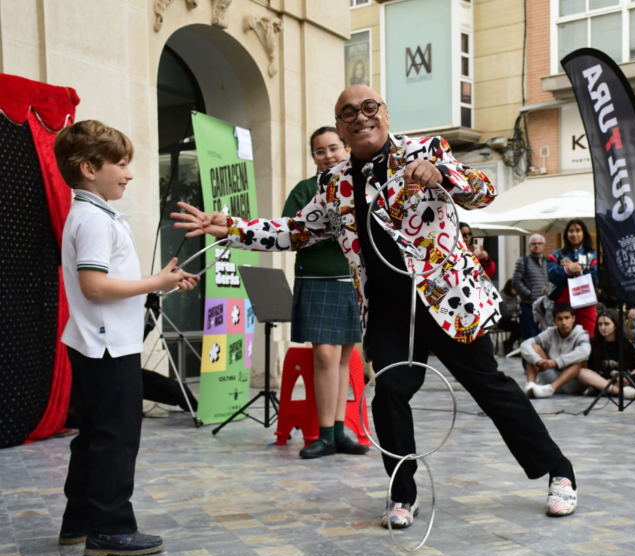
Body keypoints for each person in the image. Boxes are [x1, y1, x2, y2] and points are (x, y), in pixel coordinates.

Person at [173, 85, 579, 523]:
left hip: (445, 300)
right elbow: (296, 230)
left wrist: (443, 174)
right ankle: (402, 495)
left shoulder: (425, 150)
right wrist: (231, 228)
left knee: (491, 389)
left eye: (369, 107)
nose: (360, 116)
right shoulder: (334, 182)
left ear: (385, 115)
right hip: (387, 310)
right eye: (348, 112)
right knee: (389, 393)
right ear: (341, 127)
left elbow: (483, 191)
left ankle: (559, 470)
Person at [55, 120, 197, 556]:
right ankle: (111, 529)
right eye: (120, 164)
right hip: (107, 347)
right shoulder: (94, 220)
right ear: (88, 168)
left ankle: (79, 522)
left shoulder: (90, 214)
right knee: (116, 438)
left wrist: (159, 281)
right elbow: (95, 287)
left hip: (95, 343)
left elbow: (103, 282)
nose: (129, 173)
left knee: (93, 435)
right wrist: (156, 282)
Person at [282, 126, 367, 459]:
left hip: (353, 279)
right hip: (316, 277)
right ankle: (325, 434)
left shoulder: (361, 185)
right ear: (313, 156)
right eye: (320, 151)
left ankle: (338, 434)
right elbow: (290, 232)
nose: (329, 155)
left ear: (346, 149)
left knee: (343, 357)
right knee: (324, 356)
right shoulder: (305, 189)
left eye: (334, 148)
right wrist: (333, 229)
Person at [521, 304, 590, 398]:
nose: (564, 322)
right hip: (551, 378)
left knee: (581, 359)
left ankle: (551, 389)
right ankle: (530, 385)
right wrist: (537, 360)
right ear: (554, 321)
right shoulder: (550, 332)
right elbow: (525, 344)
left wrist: (556, 362)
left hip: (572, 382)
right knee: (534, 348)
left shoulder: (581, 334)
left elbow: (585, 351)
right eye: (560, 319)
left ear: (573, 318)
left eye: (567, 318)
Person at [548, 219, 599, 337]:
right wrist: (568, 270)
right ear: (566, 234)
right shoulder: (557, 254)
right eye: (571, 231)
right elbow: (551, 275)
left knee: (588, 335)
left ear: (584, 233)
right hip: (563, 300)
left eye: (578, 230)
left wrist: (578, 270)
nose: (574, 234)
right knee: (563, 337)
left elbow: (596, 278)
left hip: (586, 300)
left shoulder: (593, 255)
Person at [577, 307, 635, 399]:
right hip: (602, 379)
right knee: (581, 372)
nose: (603, 327)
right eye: (600, 324)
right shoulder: (594, 342)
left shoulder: (629, 343)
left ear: (616, 325)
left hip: (624, 379)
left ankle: (603, 391)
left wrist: (621, 375)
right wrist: (611, 373)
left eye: (607, 324)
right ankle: (617, 392)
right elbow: (592, 368)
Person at [512, 234, 549, 343]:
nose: (537, 245)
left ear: (544, 246)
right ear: (529, 246)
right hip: (529, 307)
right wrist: (529, 294)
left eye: (539, 243)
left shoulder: (548, 262)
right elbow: (515, 282)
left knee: (544, 339)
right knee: (529, 340)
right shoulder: (523, 261)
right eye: (534, 243)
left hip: (545, 307)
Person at [497, 279, 520, 355]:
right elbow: (504, 308)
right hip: (501, 321)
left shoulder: (515, 296)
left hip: (510, 319)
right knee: (517, 328)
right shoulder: (502, 294)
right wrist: (516, 307)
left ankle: (508, 344)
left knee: (521, 327)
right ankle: (508, 345)